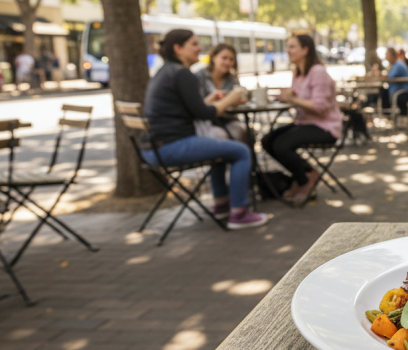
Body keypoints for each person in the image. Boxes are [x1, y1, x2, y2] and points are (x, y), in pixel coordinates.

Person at [142, 29, 269, 229]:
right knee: (241, 151)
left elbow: (194, 109)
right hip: (170, 147)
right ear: (178, 48)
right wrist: (231, 98)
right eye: (194, 44)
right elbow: (205, 114)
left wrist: (209, 100)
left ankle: (221, 205)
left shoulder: (166, 71)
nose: (199, 49)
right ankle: (239, 214)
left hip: (154, 148)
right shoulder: (182, 73)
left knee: (222, 150)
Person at [261, 33, 342, 204]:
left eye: (292, 47)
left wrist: (292, 99)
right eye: (287, 47)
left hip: (325, 127)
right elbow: (299, 99)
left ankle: (304, 180)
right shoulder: (297, 73)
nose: (288, 51)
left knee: (282, 145)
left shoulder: (317, 72)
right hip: (303, 122)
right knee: (267, 141)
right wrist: (287, 97)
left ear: (305, 50)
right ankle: (307, 173)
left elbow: (320, 107)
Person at [194, 43, 249, 143]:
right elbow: (197, 105)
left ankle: (243, 157)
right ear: (214, 58)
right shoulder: (199, 76)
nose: (228, 62)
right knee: (220, 135)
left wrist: (237, 101)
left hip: (228, 119)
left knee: (243, 132)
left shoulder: (232, 78)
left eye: (231, 59)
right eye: (224, 58)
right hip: (206, 121)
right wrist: (227, 101)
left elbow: (239, 100)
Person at [384, 47, 408, 116]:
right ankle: (386, 113)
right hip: (398, 91)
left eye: (386, 55)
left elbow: (389, 77)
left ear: (391, 56)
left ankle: (387, 113)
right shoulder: (396, 64)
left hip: (401, 92)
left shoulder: (398, 65)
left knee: (383, 93)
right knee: (383, 92)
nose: (385, 57)